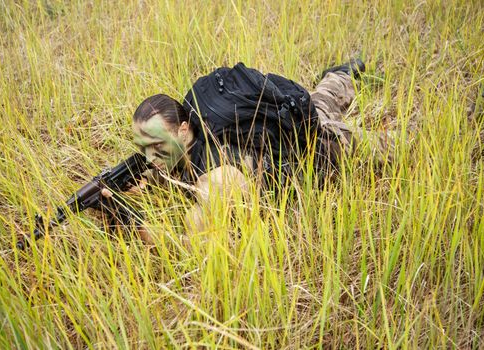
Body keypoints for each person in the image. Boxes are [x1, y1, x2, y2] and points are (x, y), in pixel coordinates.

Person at [102, 59, 394, 238]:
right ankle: (339, 74)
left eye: (156, 145)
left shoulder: (219, 177)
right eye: (142, 148)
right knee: (321, 99)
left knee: (389, 146)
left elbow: (190, 243)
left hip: (319, 152)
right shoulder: (187, 140)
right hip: (286, 137)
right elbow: (164, 172)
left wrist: (133, 225)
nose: (149, 158)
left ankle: (344, 74)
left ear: (183, 129)